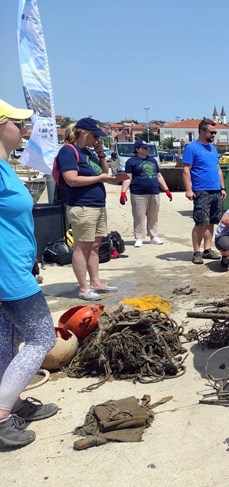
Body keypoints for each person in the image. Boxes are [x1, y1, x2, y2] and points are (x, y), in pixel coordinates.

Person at [0, 99, 58, 447]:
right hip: (6, 273)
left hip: (15, 266)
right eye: (17, 122)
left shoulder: (7, 165)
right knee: (41, 338)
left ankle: (12, 399)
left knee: (7, 339)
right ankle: (2, 414)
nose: (23, 128)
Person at [57, 118, 125, 301]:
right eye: (95, 136)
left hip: (97, 205)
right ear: (84, 133)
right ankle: (83, 288)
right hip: (82, 205)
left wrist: (102, 156)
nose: (97, 140)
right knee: (81, 247)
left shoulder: (89, 152)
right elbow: (71, 179)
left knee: (95, 246)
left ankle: (96, 282)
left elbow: (105, 174)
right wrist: (99, 179)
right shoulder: (68, 151)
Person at [182, 119, 226, 264]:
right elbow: (186, 169)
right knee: (201, 222)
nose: (214, 135)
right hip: (201, 190)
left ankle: (207, 249)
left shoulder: (213, 149)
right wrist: (188, 190)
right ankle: (196, 252)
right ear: (201, 131)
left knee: (212, 222)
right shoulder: (192, 148)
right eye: (211, 132)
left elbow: (218, 170)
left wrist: (222, 188)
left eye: (215, 132)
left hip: (215, 191)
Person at [120, 139, 172, 247]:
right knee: (139, 216)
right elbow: (127, 177)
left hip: (154, 192)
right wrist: (123, 192)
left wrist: (166, 189)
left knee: (153, 215)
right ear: (137, 149)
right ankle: (139, 237)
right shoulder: (131, 162)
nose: (147, 149)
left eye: (147, 147)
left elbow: (159, 176)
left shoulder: (152, 160)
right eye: (144, 148)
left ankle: (153, 236)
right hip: (138, 193)